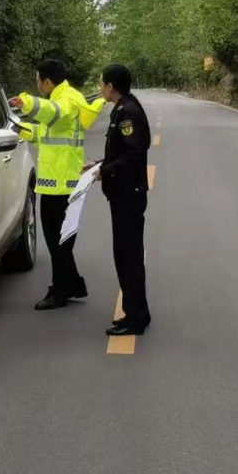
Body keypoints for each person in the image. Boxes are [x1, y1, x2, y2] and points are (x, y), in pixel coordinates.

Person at [10, 58, 103, 310]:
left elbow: (55, 114)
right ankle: (72, 285)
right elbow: (45, 134)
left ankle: (60, 291)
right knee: (59, 242)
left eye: (38, 81)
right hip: (59, 184)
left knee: (58, 242)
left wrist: (27, 102)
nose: (37, 85)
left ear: (47, 81)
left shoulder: (66, 101)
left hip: (62, 186)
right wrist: (20, 129)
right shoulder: (63, 97)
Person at [91, 63, 151, 336]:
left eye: (101, 83)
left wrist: (105, 171)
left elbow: (133, 155)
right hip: (123, 193)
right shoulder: (123, 108)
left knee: (129, 257)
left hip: (128, 194)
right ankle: (135, 312)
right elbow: (120, 153)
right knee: (124, 255)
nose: (100, 88)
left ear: (110, 86)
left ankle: (136, 318)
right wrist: (99, 165)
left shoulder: (128, 112)